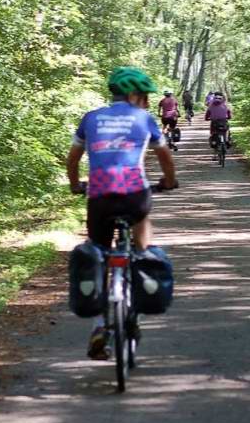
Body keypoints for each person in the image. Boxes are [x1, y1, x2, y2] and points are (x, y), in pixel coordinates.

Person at [67, 66, 177, 359]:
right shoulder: (144, 119)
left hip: (99, 195)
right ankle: (143, 258)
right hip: (134, 193)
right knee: (142, 231)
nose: (146, 102)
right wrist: (169, 181)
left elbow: (74, 157)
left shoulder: (90, 118)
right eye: (144, 96)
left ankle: (100, 324)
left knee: (99, 253)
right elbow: (164, 155)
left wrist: (75, 185)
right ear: (132, 95)